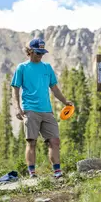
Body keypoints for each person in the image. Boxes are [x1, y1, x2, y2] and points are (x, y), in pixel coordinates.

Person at [11, 38, 73, 178]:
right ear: (30, 51)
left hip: (47, 110)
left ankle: (57, 172)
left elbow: (54, 88)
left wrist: (65, 101)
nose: (40, 55)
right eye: (38, 52)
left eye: (42, 53)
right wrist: (17, 107)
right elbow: (15, 89)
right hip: (30, 109)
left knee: (54, 141)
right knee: (31, 142)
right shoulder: (22, 68)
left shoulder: (47, 68)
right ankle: (32, 173)